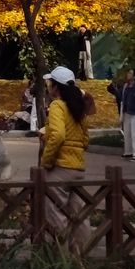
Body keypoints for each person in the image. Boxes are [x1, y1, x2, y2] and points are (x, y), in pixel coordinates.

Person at [40, 65, 90, 253]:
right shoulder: (78, 107)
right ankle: (81, 254)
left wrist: (47, 160)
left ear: (56, 87)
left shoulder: (57, 106)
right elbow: (86, 138)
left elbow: (59, 135)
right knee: (79, 214)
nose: (48, 87)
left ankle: (62, 257)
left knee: (56, 213)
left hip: (60, 168)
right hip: (78, 168)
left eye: (49, 83)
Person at [120, 68, 135, 160]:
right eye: (128, 72)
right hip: (127, 112)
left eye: (130, 73)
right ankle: (128, 151)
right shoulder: (126, 87)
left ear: (134, 77)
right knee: (127, 133)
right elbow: (122, 98)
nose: (128, 74)